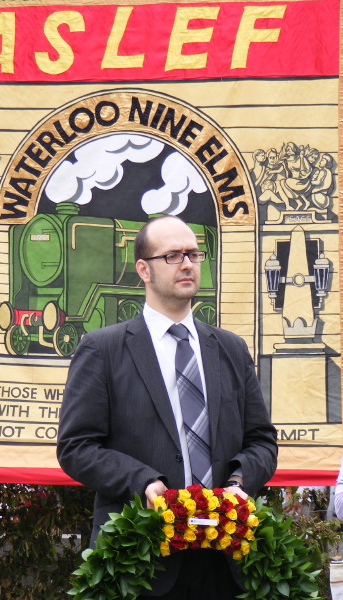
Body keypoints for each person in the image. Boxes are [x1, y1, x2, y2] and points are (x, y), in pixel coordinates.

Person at [57, 215, 278, 599]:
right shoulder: (103, 349)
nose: (188, 263)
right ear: (143, 269)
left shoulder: (230, 349)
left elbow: (261, 442)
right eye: (173, 256)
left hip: (226, 559)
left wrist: (240, 484)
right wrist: (142, 482)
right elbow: (76, 447)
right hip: (142, 562)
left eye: (193, 253)